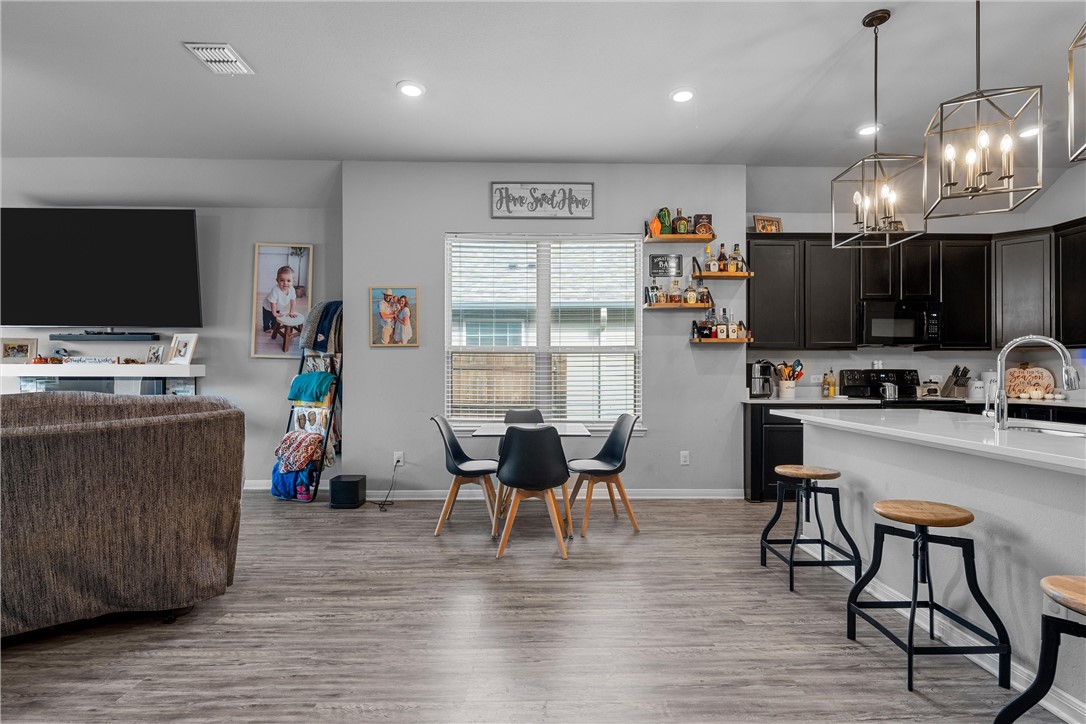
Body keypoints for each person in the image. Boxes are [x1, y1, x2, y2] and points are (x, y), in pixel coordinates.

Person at [262, 265, 297, 333]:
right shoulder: (275, 290)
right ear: (277, 280)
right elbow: (273, 303)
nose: (285, 283)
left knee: (275, 320)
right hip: (268, 307)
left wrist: (291, 312)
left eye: (288, 280)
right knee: (267, 319)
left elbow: (293, 301)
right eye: (282, 280)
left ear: (293, 281)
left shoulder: (292, 290)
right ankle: (266, 328)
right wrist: (274, 313)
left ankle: (274, 326)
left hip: (277, 307)